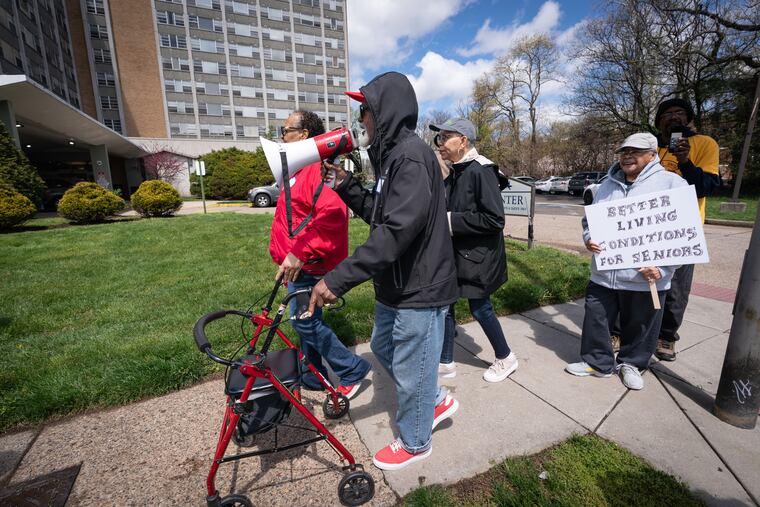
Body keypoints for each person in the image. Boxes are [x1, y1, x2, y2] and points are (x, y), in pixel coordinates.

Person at [308, 72, 460, 470]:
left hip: (419, 287)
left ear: (384, 111)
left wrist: (337, 279)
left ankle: (415, 441)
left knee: (411, 368)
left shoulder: (410, 156)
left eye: (365, 110)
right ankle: (435, 398)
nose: (360, 119)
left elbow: (396, 232)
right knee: (382, 347)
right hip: (396, 284)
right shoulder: (392, 157)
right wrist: (346, 185)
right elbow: (382, 214)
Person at [566, 132, 687, 390]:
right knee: (596, 318)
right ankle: (597, 363)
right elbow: (590, 220)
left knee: (641, 325)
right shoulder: (606, 185)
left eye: (635, 151)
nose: (627, 156)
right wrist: (589, 238)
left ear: (653, 155)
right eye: (624, 151)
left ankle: (631, 364)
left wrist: (664, 267)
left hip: (646, 278)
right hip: (604, 274)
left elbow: (684, 234)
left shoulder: (672, 184)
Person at [269, 109, 370, 399]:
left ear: (303, 135)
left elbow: (333, 216)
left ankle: (352, 369)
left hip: (309, 265)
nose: (282, 136)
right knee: (307, 322)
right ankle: (312, 376)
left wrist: (299, 252)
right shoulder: (301, 169)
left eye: (286, 130)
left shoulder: (317, 169)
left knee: (304, 321)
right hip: (299, 265)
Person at [429, 118, 517, 382]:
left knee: (480, 308)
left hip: (479, 258)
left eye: (445, 138)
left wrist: (450, 221)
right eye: (439, 139)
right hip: (460, 255)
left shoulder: (480, 171)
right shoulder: (457, 170)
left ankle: (506, 357)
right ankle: (446, 362)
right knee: (446, 304)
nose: (440, 144)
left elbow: (494, 219)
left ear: (463, 141)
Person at [654, 98, 721, 362]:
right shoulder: (651, 148)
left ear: (689, 118)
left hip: (682, 229)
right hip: (649, 228)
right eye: (667, 114)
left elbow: (706, 187)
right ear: (659, 121)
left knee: (676, 289)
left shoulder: (704, 144)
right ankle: (630, 329)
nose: (673, 117)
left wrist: (685, 161)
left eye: (679, 113)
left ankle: (667, 336)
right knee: (638, 283)